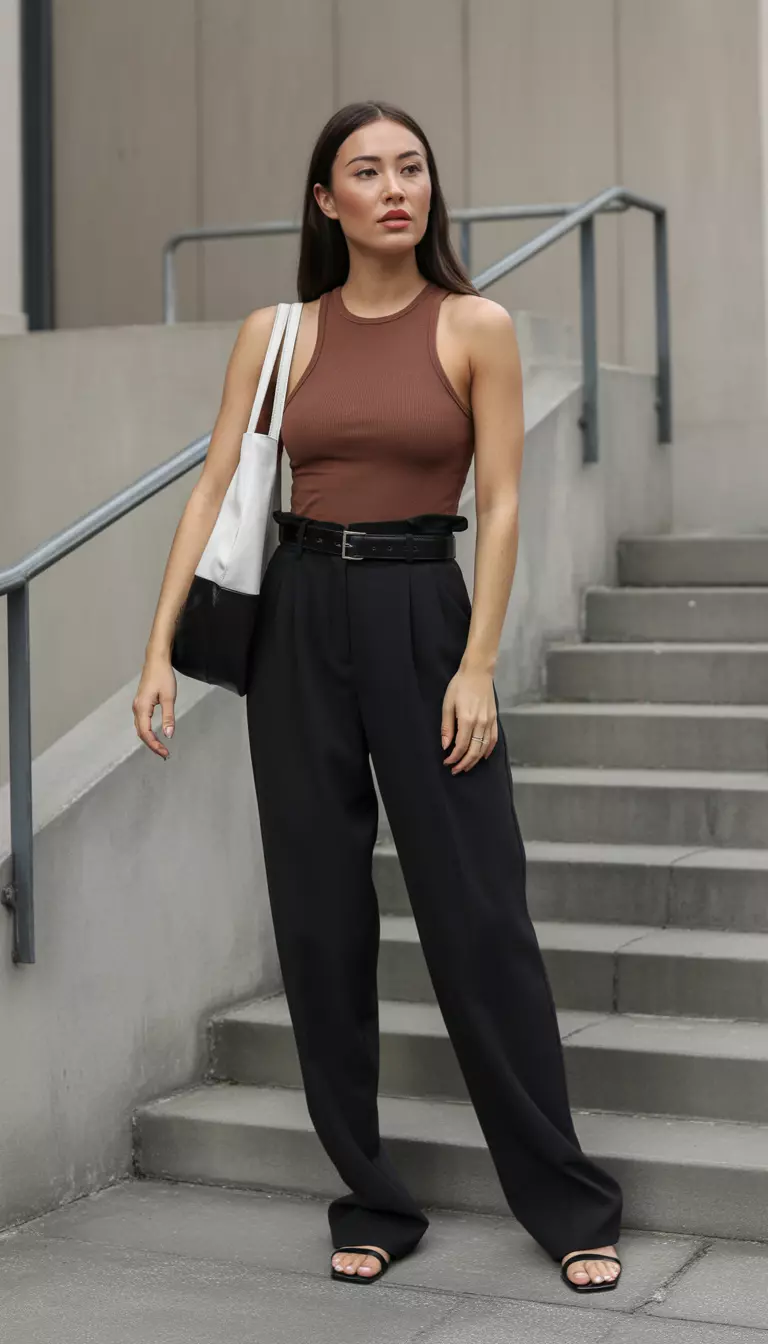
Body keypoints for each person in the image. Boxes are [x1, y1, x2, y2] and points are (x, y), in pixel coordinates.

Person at [133, 99, 623, 1294]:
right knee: (318, 919)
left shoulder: (475, 326)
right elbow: (213, 493)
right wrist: (156, 651)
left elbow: (501, 502)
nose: (395, 186)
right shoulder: (277, 332)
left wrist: (476, 664)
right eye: (367, 170)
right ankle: (370, 1197)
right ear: (326, 201)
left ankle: (566, 1202)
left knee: (478, 915)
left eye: (412, 167)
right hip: (297, 618)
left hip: (422, 612)